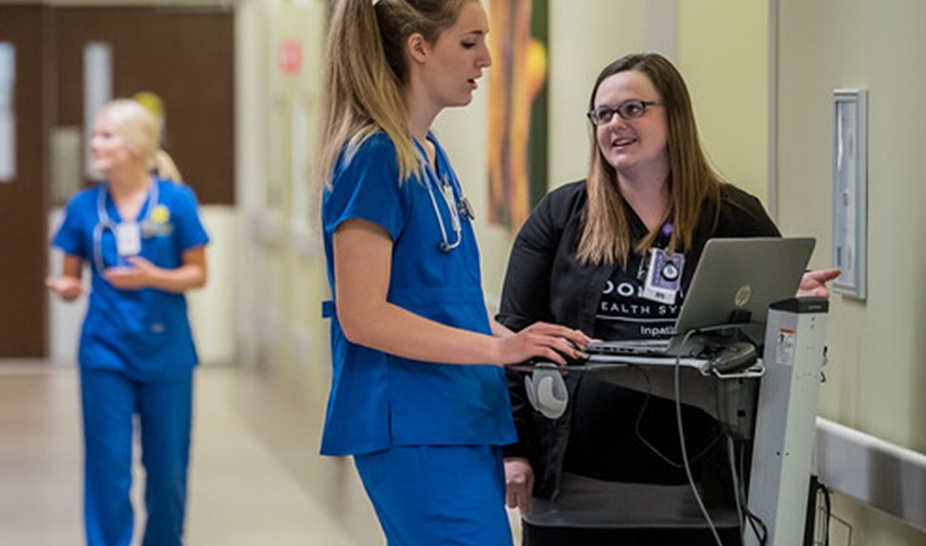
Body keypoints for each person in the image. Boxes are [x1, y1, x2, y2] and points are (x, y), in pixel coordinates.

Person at [496, 52, 840, 546]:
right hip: (573, 500)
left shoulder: (734, 217)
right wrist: (513, 450)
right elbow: (511, 339)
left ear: (674, 115)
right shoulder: (562, 216)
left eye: (633, 108)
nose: (616, 124)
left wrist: (791, 298)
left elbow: (766, 338)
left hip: (700, 500)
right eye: (603, 114)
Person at [314, 0, 590, 544]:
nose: (486, 58)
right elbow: (363, 316)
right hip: (413, 423)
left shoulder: (429, 155)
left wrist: (522, 341)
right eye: (469, 42)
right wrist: (498, 351)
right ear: (418, 47)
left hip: (457, 415)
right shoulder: (373, 158)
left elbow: (440, 300)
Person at [45, 99, 209, 546]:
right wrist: (67, 289)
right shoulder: (82, 207)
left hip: (167, 355)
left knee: (168, 470)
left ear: (136, 146)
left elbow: (198, 274)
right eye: (95, 136)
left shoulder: (176, 201)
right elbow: (70, 275)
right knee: (107, 467)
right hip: (105, 352)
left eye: (105, 136)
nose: (94, 145)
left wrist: (154, 277)